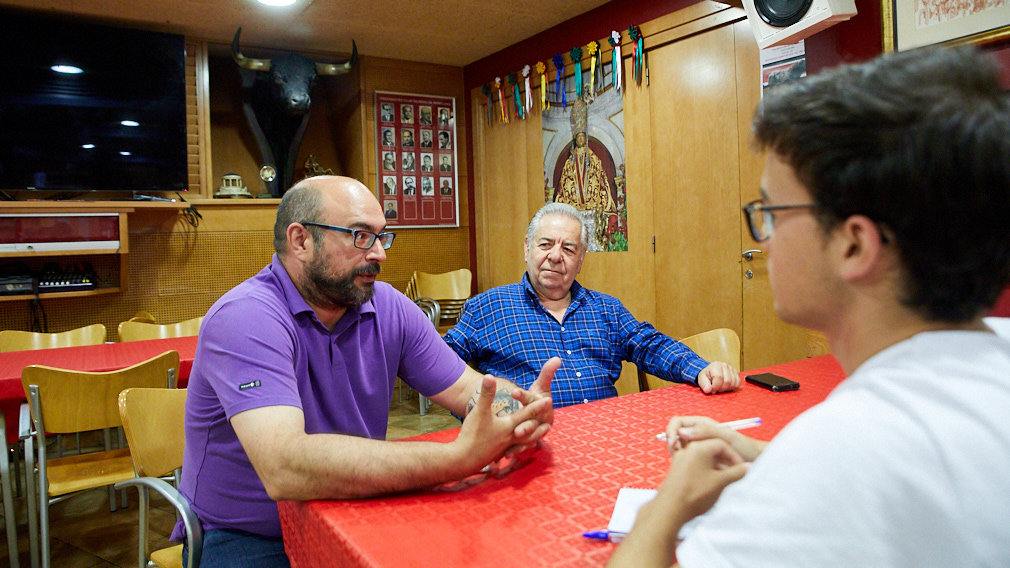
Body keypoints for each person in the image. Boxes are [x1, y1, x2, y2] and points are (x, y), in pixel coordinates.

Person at [608, 47, 1010, 567]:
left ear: (853, 245)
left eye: (772, 213)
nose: (764, 241)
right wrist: (767, 457)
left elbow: (843, 469)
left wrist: (667, 506)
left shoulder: (837, 455)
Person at [176, 175, 557, 566]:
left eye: (381, 237)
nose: (379, 253)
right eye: (360, 236)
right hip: (250, 535)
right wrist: (456, 458)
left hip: (357, 505)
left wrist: (519, 412)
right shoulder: (246, 317)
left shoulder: (387, 306)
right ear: (301, 240)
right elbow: (283, 467)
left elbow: (470, 389)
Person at [444, 202, 740, 408]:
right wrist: (487, 406)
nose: (556, 256)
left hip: (605, 440)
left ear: (581, 260)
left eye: (568, 248)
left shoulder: (606, 309)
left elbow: (650, 345)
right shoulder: (487, 308)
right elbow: (437, 365)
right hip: (525, 442)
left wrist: (700, 369)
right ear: (527, 248)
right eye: (545, 244)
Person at [555, 94, 616, 213]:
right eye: (579, 137)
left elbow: (601, 179)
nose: (581, 139)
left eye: (583, 136)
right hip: (574, 208)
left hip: (592, 208)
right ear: (575, 139)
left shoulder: (594, 159)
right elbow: (563, 186)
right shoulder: (569, 163)